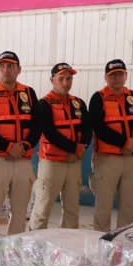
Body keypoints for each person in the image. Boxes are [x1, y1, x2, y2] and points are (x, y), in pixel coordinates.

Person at [0, 51, 40, 248]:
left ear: (19, 69)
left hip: (23, 161)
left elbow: (37, 125)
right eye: (1, 66)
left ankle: (15, 254)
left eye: (10, 66)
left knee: (20, 213)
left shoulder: (29, 93)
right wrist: (9, 147)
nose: (6, 69)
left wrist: (25, 146)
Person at [88, 59, 133, 232]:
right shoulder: (98, 98)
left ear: (126, 75)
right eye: (112, 75)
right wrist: (125, 142)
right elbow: (98, 127)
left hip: (130, 159)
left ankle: (124, 239)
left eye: (119, 74)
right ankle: (100, 238)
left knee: (130, 203)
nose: (116, 78)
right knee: (104, 204)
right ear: (106, 78)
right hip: (106, 159)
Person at [29, 62, 91, 230]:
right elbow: (49, 132)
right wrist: (74, 148)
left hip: (74, 163)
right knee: (42, 209)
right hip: (52, 164)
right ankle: (34, 243)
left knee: (72, 210)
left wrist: (82, 147)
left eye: (69, 79)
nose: (65, 83)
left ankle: (67, 244)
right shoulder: (44, 104)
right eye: (61, 79)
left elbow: (87, 128)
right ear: (52, 80)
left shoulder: (78, 103)